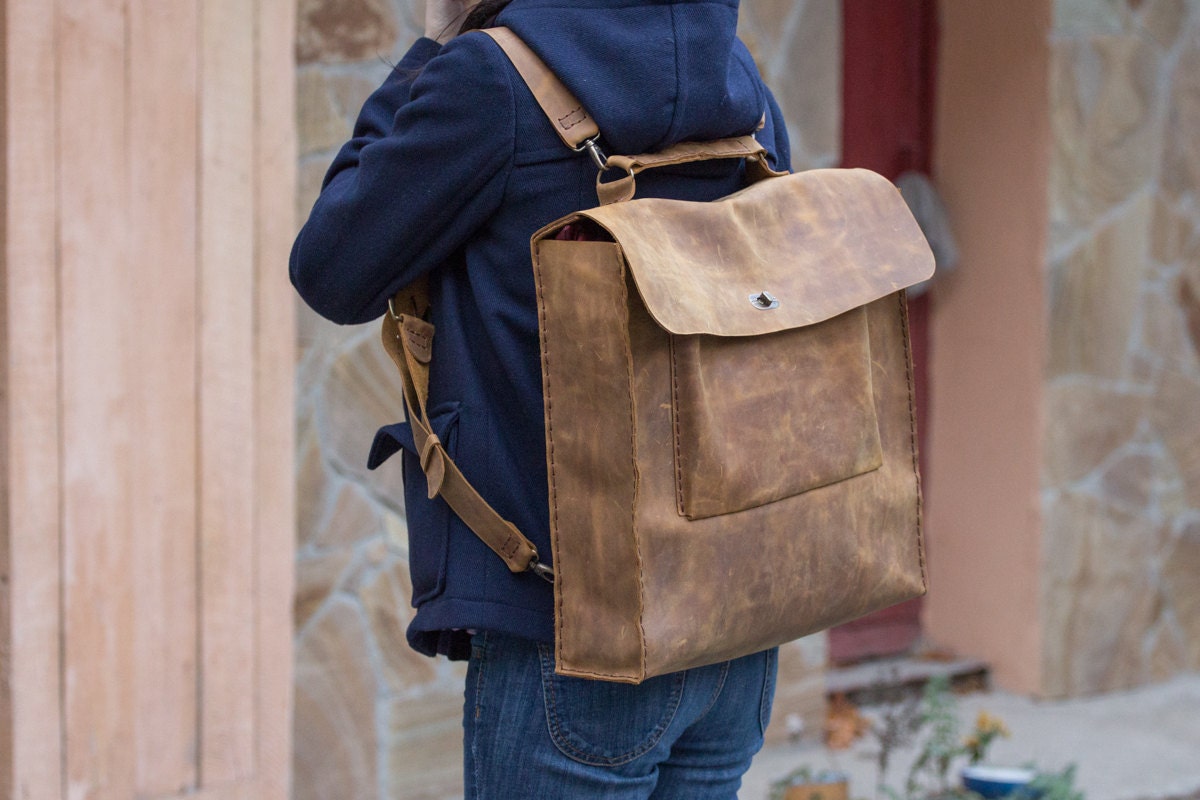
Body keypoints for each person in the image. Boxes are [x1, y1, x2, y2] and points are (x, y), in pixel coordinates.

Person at [290, 1, 792, 796]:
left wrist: (435, 43)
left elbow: (331, 267)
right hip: (730, 621)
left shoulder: (492, 78)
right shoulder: (736, 73)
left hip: (568, 630)